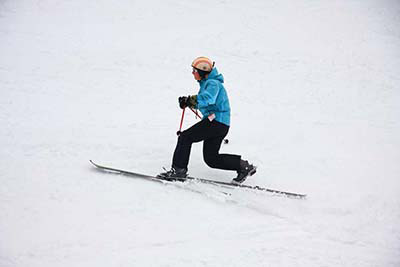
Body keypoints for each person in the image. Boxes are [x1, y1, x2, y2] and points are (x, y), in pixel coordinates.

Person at [158, 56, 256, 184]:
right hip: (220, 124)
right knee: (211, 159)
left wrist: (190, 100)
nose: (193, 73)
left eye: (195, 71)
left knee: (185, 137)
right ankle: (243, 166)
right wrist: (189, 103)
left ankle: (178, 171)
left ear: (202, 72)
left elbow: (208, 98)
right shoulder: (208, 84)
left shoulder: (212, 83)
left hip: (216, 122)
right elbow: (206, 101)